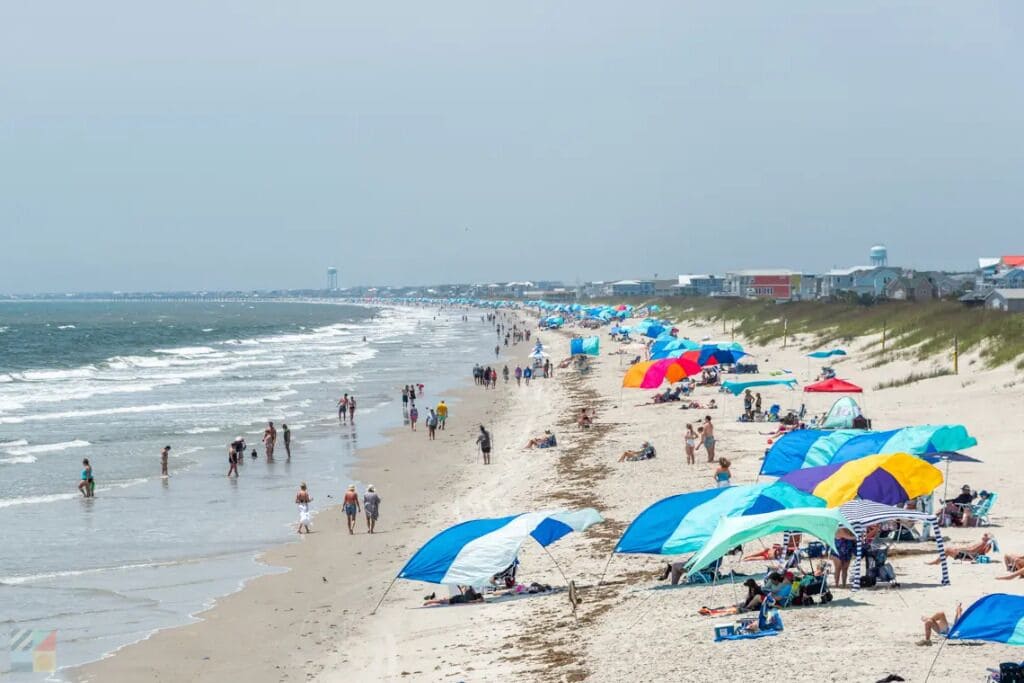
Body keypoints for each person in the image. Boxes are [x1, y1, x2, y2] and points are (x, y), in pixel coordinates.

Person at [928, 533, 993, 563]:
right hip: (971, 556)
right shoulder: (986, 544)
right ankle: (938, 561)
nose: (983, 535)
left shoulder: (983, 543)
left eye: (985, 535)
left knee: (947, 550)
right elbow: (984, 552)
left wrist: (959, 549)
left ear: (986, 538)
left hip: (968, 556)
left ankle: (936, 562)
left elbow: (971, 550)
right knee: (948, 549)